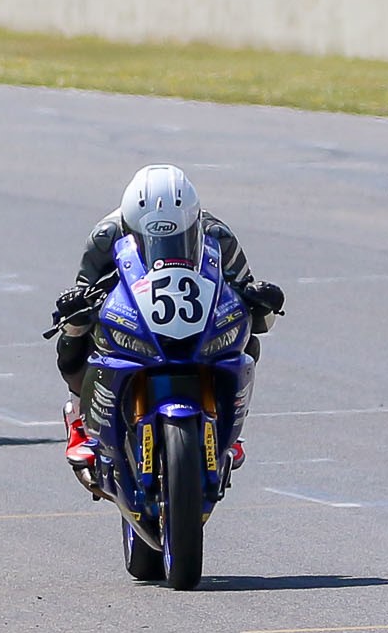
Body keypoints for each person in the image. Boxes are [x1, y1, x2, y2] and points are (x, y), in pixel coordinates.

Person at [48, 165, 283, 485]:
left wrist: (261, 300)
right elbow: (84, 288)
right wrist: (76, 307)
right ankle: (79, 418)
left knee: (246, 334)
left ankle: (229, 419)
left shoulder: (218, 235)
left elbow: (255, 306)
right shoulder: (105, 235)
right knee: (73, 334)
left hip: (196, 315)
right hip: (133, 310)